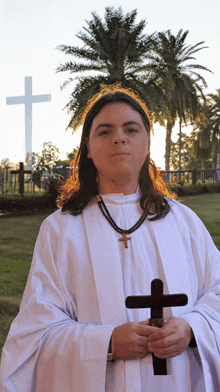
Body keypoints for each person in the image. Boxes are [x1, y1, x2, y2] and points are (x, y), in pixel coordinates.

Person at [0, 86, 220, 392]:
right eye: (105, 131)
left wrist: (192, 328)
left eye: (131, 129)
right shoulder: (60, 230)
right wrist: (107, 343)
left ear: (146, 144)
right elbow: (36, 333)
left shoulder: (184, 224)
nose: (119, 138)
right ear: (88, 148)